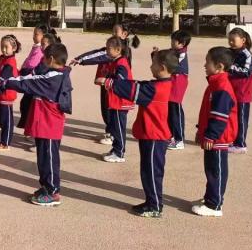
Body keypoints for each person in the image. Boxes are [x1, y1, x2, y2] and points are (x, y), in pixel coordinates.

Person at [99, 48, 178, 217]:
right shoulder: (161, 83)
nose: (150, 66)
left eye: (153, 64)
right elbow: (139, 84)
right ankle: (151, 201)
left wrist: (109, 83)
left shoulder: (155, 89)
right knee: (147, 171)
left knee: (152, 172)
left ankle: (155, 206)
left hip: (155, 136)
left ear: (162, 68)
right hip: (150, 135)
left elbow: (133, 90)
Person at [0, 43, 72, 207]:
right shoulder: (56, 74)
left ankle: (53, 192)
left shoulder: (53, 78)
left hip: (50, 126)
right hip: (45, 124)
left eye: (44, 59)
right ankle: (46, 187)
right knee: (43, 158)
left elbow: (27, 82)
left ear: (50, 59)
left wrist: (5, 83)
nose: (42, 61)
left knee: (49, 159)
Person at [74, 22, 140, 144]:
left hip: (113, 86)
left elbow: (100, 56)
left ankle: (113, 136)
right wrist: (80, 59)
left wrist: (81, 60)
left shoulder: (120, 50)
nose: (113, 33)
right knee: (106, 109)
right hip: (108, 84)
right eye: (112, 30)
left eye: (116, 31)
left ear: (124, 34)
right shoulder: (113, 48)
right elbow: (98, 53)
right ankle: (110, 131)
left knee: (112, 111)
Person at [192, 47, 239, 217]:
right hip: (213, 135)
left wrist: (210, 135)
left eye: (208, 62)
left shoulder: (222, 87)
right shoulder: (214, 84)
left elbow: (220, 117)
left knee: (216, 170)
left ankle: (215, 204)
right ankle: (211, 197)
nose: (204, 65)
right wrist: (201, 130)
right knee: (210, 168)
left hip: (219, 137)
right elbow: (207, 111)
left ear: (219, 66)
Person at [227, 27, 252, 154]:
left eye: (233, 40)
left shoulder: (248, 56)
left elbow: (246, 71)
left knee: (241, 119)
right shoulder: (230, 52)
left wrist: (229, 67)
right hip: (231, 92)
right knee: (231, 117)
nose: (230, 43)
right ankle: (232, 140)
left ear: (243, 40)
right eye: (229, 40)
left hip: (243, 94)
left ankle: (240, 144)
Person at [167, 30, 192, 150]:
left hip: (178, 83)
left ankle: (179, 139)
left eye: (174, 41)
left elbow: (174, 66)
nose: (172, 43)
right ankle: (171, 136)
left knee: (176, 110)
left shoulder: (182, 54)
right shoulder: (173, 51)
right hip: (171, 82)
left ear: (182, 44)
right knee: (170, 110)